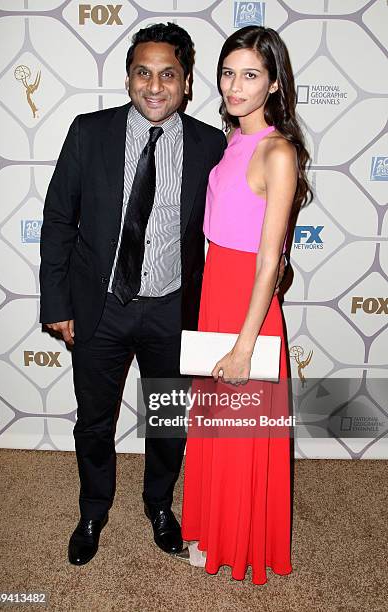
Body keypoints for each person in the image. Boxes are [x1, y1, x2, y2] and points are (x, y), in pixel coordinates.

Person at [39, 22, 227, 565]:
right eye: (143, 73)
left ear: (187, 82)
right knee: (94, 420)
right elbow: (57, 220)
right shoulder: (88, 132)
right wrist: (57, 304)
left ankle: (159, 506)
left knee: (167, 420)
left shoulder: (211, 144)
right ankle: (93, 508)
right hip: (101, 307)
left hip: (172, 308)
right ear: (127, 79)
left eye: (168, 74)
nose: (154, 86)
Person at [176, 26, 312, 584]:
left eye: (251, 74)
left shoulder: (278, 151)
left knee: (241, 425)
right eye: (228, 72)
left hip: (246, 304)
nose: (235, 85)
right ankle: (211, 527)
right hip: (215, 290)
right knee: (215, 424)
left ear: (274, 82)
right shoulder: (231, 140)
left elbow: (269, 261)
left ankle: (241, 539)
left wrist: (245, 344)